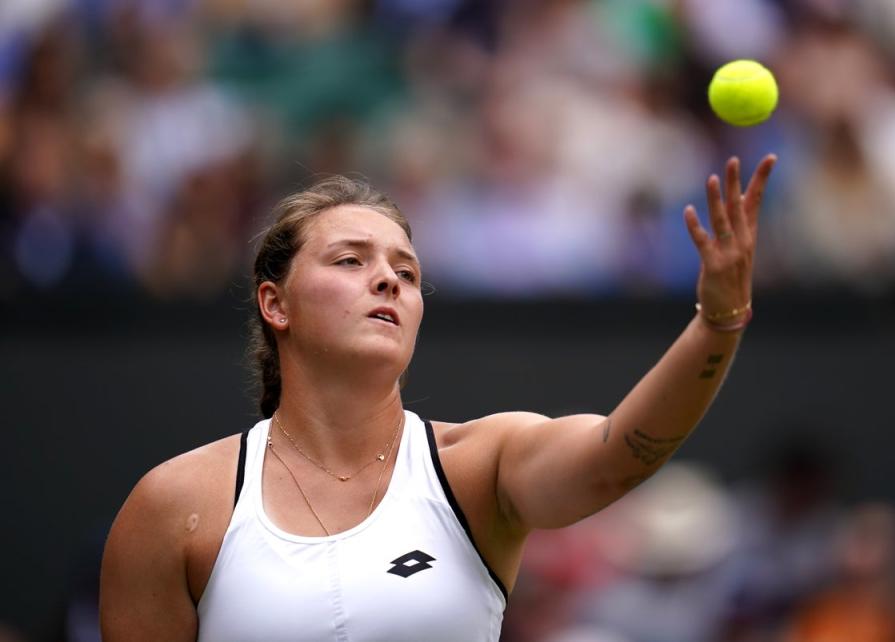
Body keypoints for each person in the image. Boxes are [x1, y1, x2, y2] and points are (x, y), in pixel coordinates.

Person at [99, 154, 777, 641]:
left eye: (407, 271)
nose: (388, 281)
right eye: (350, 260)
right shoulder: (174, 507)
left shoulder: (479, 468)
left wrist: (717, 320)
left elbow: (616, 457)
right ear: (275, 304)